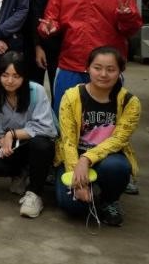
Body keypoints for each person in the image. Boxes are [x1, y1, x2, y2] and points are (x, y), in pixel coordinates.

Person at [38, 0, 142, 114]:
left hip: (106, 69)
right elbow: (50, 21)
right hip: (70, 66)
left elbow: (132, 29)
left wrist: (127, 17)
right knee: (65, 118)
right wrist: (48, 28)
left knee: (106, 122)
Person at [55, 47, 141, 227]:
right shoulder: (71, 97)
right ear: (87, 68)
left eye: (111, 69)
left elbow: (118, 139)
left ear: (120, 71)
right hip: (74, 156)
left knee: (117, 168)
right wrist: (78, 181)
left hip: (108, 157)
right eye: (97, 68)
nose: (103, 74)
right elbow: (68, 141)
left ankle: (110, 200)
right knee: (74, 207)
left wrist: (86, 159)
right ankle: (89, 190)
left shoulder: (130, 102)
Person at [0, 52, 56, 219]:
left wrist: (13, 134)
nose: (10, 81)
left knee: (41, 145)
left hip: (36, 142)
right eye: (5, 75)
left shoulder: (36, 91)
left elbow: (46, 127)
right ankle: (21, 173)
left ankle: (35, 193)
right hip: (14, 145)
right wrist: (0, 137)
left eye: (16, 76)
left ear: (24, 76)